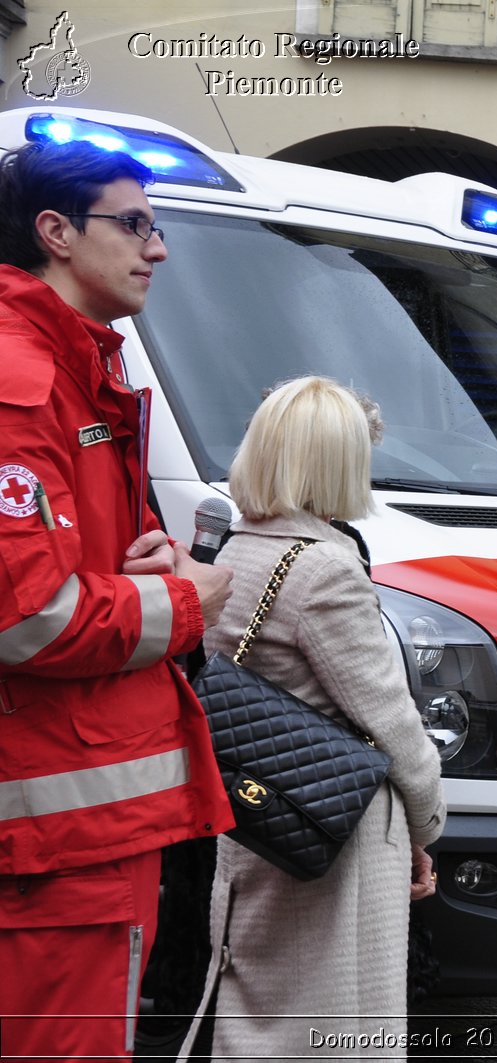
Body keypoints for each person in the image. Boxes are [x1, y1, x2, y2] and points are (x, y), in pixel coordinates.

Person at [0, 140, 236, 1061]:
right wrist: (188, 598)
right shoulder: (25, 384)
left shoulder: (63, 366)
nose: (158, 247)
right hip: (56, 845)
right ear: (55, 233)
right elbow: (25, 617)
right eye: (133, 222)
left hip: (69, 832)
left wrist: (151, 562)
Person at [181, 377, 446, 1058]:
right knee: (338, 1028)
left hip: (260, 815)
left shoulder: (236, 550)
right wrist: (428, 820)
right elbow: (388, 717)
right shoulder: (325, 566)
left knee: (258, 1011)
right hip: (339, 831)